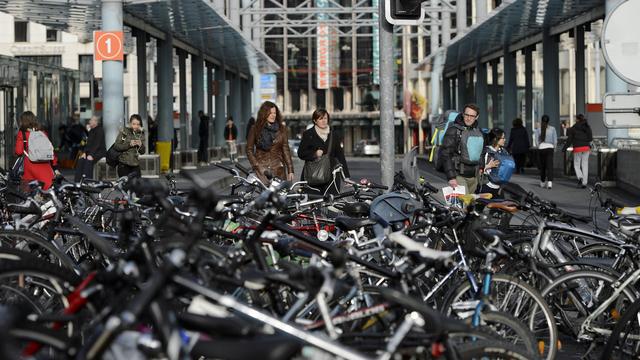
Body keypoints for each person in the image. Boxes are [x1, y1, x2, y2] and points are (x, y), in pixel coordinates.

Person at [298, 109, 351, 196]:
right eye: (320, 119)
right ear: (315, 120)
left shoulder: (333, 135)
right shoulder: (308, 134)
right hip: (313, 175)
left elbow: (340, 156)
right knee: (315, 204)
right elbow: (301, 153)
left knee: (331, 203)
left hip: (332, 175)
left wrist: (346, 176)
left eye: (325, 118)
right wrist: (314, 154)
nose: (323, 121)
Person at [441, 103, 485, 194]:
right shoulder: (454, 130)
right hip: (459, 176)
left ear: (477, 117)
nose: (469, 118)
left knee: (471, 206)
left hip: (474, 176)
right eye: (467, 115)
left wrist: (481, 167)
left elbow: (481, 152)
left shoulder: (478, 131)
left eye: (472, 116)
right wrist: (451, 177)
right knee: (462, 206)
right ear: (462, 114)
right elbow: (446, 154)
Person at [246, 101, 294, 184]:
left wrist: (290, 170)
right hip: (261, 171)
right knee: (264, 196)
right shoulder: (255, 129)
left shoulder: (282, 129)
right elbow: (249, 150)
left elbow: (286, 150)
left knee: (280, 196)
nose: (273, 115)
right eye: (270, 113)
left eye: (274, 113)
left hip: (278, 170)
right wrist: (256, 165)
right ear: (264, 114)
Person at [14, 111, 58, 190]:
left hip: (30, 166)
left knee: (29, 194)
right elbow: (49, 149)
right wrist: (54, 165)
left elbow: (18, 151)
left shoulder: (22, 133)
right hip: (45, 167)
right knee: (48, 193)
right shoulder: (42, 132)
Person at [563, 114, 593, 188]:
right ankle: (584, 183)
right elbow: (590, 138)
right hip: (586, 148)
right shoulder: (587, 126)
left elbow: (569, 140)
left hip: (577, 148)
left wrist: (564, 148)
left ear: (577, 119)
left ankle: (580, 177)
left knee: (576, 164)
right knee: (585, 165)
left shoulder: (574, 128)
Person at [74, 116, 106, 182]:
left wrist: (91, 155)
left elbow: (97, 144)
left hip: (99, 152)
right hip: (91, 151)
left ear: (96, 122)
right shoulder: (91, 130)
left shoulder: (100, 130)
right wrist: (84, 153)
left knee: (88, 161)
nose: (89, 122)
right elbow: (88, 144)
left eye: (91, 120)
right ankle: (77, 181)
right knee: (81, 160)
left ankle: (87, 181)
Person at [113, 114, 146, 178]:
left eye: (138, 124)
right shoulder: (124, 132)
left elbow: (143, 151)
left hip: (135, 165)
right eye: (134, 124)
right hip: (124, 165)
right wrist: (129, 144)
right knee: (125, 186)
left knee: (138, 185)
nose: (135, 126)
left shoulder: (141, 134)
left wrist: (141, 145)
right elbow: (116, 146)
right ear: (130, 123)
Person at [479, 128, 507, 198]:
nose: (504, 140)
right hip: (486, 186)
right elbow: (478, 171)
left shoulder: (504, 152)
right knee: (479, 207)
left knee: (500, 208)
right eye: (502, 138)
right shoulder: (486, 152)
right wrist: (488, 166)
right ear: (495, 139)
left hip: (499, 188)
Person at [533, 115, 557, 189]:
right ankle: (549, 182)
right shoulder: (552, 129)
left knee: (543, 166)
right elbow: (555, 140)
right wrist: (554, 148)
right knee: (550, 166)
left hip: (542, 148)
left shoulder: (538, 130)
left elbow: (536, 141)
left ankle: (542, 182)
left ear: (542, 121)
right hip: (550, 148)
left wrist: (538, 146)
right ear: (548, 121)